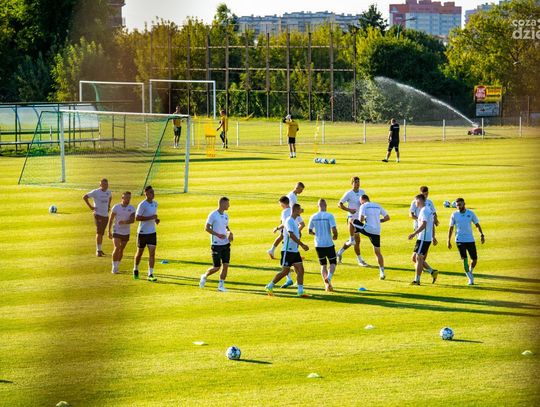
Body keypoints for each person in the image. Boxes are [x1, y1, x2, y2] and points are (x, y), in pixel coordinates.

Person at [265, 204, 310, 297]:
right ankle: (269, 286)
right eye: (300, 209)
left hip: (294, 251)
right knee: (285, 271)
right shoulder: (289, 220)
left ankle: (300, 291)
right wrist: (302, 244)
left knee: (301, 270)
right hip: (287, 251)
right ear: (296, 210)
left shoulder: (293, 221)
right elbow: (291, 234)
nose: (301, 211)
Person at [447, 198, 485, 285]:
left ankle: (470, 271)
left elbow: (477, 225)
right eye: (457, 205)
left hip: (470, 240)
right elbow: (451, 228)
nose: (458, 206)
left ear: (464, 204)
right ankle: (470, 279)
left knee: (474, 260)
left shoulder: (471, 213)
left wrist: (481, 235)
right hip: (459, 240)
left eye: (460, 205)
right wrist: (448, 240)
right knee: (464, 260)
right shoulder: (454, 214)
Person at [201, 197, 233, 292]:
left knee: (226, 265)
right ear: (222, 204)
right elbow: (207, 228)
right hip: (216, 244)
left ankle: (221, 286)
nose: (229, 205)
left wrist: (230, 233)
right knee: (217, 267)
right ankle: (204, 276)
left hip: (226, 244)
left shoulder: (226, 215)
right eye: (227, 204)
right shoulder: (213, 214)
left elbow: (226, 226)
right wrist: (217, 234)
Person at [355, 195, 390, 280]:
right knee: (378, 253)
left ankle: (352, 239)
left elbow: (360, 220)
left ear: (362, 200)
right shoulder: (378, 205)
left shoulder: (363, 206)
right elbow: (387, 218)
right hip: (376, 232)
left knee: (352, 221)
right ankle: (382, 272)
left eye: (360, 202)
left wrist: (364, 220)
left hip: (368, 229)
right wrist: (378, 220)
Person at [336, 176, 368, 266]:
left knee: (353, 241)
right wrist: (349, 210)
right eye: (356, 182)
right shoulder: (349, 193)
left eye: (358, 182)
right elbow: (339, 204)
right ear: (352, 183)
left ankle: (339, 252)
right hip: (351, 219)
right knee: (357, 241)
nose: (357, 184)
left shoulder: (362, 192)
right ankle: (360, 260)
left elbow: (365, 204)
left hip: (359, 220)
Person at [308, 199, 338, 292]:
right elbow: (334, 228)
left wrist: (316, 234)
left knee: (323, 265)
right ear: (326, 205)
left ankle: (327, 285)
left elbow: (309, 231)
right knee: (333, 262)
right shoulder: (329, 215)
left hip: (318, 244)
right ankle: (328, 278)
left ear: (318, 206)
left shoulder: (313, 216)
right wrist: (335, 235)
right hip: (328, 243)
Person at [408, 194, 438, 285]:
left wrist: (414, 233)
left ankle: (417, 280)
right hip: (424, 237)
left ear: (419, 201)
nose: (415, 203)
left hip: (423, 238)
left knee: (419, 258)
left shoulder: (424, 210)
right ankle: (432, 271)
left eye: (416, 201)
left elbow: (424, 225)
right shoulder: (427, 209)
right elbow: (431, 224)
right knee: (414, 257)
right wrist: (433, 236)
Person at [133, 186, 159, 282]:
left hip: (152, 232)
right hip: (142, 232)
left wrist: (156, 220)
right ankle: (135, 269)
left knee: (152, 253)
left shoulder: (155, 204)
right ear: (146, 194)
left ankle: (150, 274)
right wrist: (151, 217)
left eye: (153, 192)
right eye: (151, 192)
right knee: (139, 253)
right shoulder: (142, 205)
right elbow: (137, 218)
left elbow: (153, 216)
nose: (153, 194)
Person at [108, 191, 136, 274]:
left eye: (129, 198)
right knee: (117, 247)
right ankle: (114, 267)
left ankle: (117, 266)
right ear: (122, 198)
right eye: (126, 198)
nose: (128, 199)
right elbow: (111, 219)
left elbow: (132, 220)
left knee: (121, 249)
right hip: (116, 230)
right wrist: (108, 231)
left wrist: (125, 222)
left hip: (126, 232)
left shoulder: (132, 208)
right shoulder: (116, 207)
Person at [83, 178, 112, 257]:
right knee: (99, 232)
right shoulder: (96, 192)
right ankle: (98, 250)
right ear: (100, 185)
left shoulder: (109, 192)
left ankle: (100, 249)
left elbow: (110, 197)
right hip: (98, 214)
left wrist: (108, 205)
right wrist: (90, 207)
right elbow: (85, 197)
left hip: (105, 215)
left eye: (106, 184)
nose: (105, 186)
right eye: (103, 184)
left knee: (101, 233)